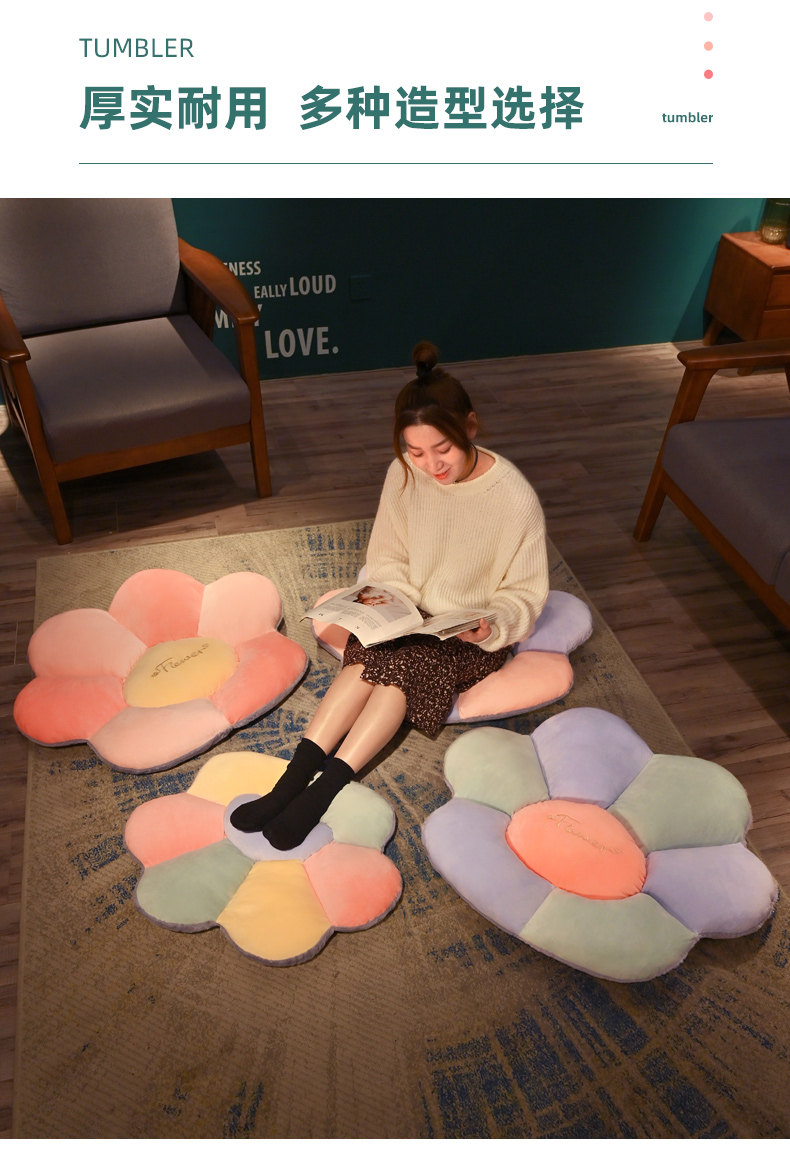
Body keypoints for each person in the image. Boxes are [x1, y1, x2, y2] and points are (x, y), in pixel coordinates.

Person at [231, 340, 549, 849]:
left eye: (442, 449)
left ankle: (321, 793)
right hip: (409, 611)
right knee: (365, 659)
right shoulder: (403, 473)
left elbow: (525, 594)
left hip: (467, 632)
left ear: (470, 427)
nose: (430, 464)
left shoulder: (513, 497)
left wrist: (492, 624)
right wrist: (389, 603)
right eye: (415, 451)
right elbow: (386, 557)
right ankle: (289, 784)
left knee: (400, 670)